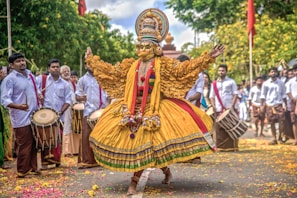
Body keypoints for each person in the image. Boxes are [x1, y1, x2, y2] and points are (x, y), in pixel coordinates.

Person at [86, 8, 224, 195]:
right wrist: (92, 62)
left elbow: (183, 70)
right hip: (131, 107)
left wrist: (207, 58)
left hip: (156, 108)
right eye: (140, 46)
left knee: (147, 145)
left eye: (147, 47)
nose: (143, 50)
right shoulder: (131, 66)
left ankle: (133, 184)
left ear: (155, 48)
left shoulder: (164, 65)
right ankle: (166, 172)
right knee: (148, 148)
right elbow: (111, 72)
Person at [1, 53, 40, 177]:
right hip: (20, 117)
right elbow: (4, 100)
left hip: (34, 115)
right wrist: (19, 107)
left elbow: (36, 90)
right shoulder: (9, 79)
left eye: (23, 60)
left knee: (34, 143)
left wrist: (39, 96)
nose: (22, 63)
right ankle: (22, 170)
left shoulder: (30, 75)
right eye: (18, 61)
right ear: (11, 65)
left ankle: (34, 167)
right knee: (25, 143)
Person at [37, 59, 72, 167]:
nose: (55, 68)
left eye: (57, 67)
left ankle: (56, 161)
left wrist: (61, 112)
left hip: (58, 116)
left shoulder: (66, 84)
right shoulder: (42, 80)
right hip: (44, 116)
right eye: (53, 67)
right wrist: (39, 97)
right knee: (45, 138)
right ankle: (45, 162)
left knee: (58, 138)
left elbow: (68, 100)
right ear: (49, 69)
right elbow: (35, 91)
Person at [75, 58, 109, 169]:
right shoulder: (82, 80)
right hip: (89, 112)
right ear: (85, 66)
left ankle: (104, 160)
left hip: (103, 111)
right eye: (88, 64)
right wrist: (80, 98)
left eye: (92, 63)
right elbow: (77, 95)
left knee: (104, 137)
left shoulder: (103, 78)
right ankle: (88, 160)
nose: (91, 66)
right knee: (86, 137)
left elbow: (108, 93)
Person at [178, 54, 204, 164]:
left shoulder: (198, 75)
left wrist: (187, 100)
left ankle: (196, 156)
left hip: (192, 107)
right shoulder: (177, 75)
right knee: (180, 131)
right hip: (179, 107)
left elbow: (198, 93)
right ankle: (182, 156)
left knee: (194, 131)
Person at [209, 64, 239, 151]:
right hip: (218, 108)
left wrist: (231, 106)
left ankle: (233, 147)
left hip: (229, 108)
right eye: (219, 71)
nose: (221, 72)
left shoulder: (231, 82)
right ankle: (220, 147)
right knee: (219, 129)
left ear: (226, 71)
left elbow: (235, 94)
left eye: (222, 71)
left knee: (231, 127)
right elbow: (212, 96)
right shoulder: (214, 83)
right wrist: (213, 106)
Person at [260, 67, 287, 145]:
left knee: (281, 121)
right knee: (271, 122)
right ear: (269, 73)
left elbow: (284, 94)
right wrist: (262, 106)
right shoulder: (265, 83)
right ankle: (274, 138)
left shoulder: (281, 83)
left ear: (277, 73)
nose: (273, 73)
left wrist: (285, 105)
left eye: (274, 72)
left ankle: (280, 137)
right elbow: (263, 95)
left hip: (279, 104)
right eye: (271, 72)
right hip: (269, 105)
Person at [60, 65, 80, 156]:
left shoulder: (72, 83)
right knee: (67, 127)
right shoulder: (60, 83)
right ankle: (67, 151)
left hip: (74, 107)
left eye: (68, 71)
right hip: (64, 108)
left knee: (75, 127)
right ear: (60, 74)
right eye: (64, 71)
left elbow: (75, 94)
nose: (66, 72)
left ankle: (75, 150)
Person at [286, 64, 297, 145]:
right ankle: (296, 139)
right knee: (294, 121)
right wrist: (293, 98)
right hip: (293, 102)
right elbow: (288, 92)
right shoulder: (291, 81)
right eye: (295, 70)